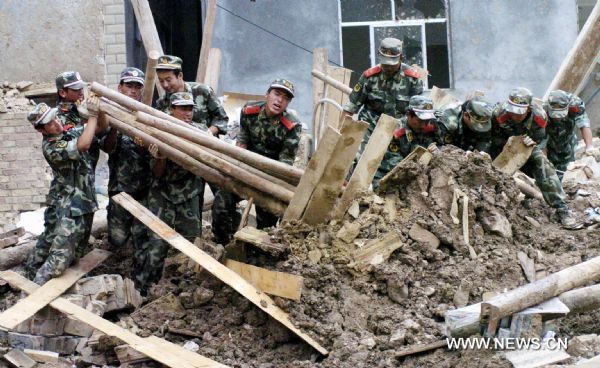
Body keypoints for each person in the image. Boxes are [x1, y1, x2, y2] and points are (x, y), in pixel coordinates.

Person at [25, 97, 105, 284]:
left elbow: (99, 128)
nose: (56, 124)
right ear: (40, 130)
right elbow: (84, 144)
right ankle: (33, 296)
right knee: (59, 260)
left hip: (83, 204)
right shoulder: (52, 146)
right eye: (49, 124)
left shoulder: (65, 134)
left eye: (55, 118)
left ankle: (33, 274)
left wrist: (98, 110)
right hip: (71, 208)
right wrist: (92, 116)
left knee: (76, 253)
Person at [211, 79, 302, 244]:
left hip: (271, 175)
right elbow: (243, 138)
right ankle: (222, 243)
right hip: (247, 166)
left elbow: (285, 162)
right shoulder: (248, 111)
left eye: (286, 98)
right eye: (276, 94)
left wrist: (271, 186)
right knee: (222, 203)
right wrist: (238, 164)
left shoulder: (292, 124)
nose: (279, 100)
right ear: (267, 94)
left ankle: (256, 254)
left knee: (266, 222)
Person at [133, 92, 204, 295]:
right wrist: (160, 158)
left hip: (188, 193)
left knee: (192, 243)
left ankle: (189, 291)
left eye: (190, 108)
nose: (187, 113)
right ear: (171, 110)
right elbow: (156, 172)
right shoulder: (157, 132)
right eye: (182, 108)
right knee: (156, 245)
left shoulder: (200, 132)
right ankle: (146, 291)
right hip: (162, 193)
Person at [490, 87, 579, 228]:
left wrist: (531, 142)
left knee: (543, 163)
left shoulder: (539, 118)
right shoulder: (499, 113)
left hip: (524, 148)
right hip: (499, 147)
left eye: (519, 112)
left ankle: (561, 208)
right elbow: (489, 137)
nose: (514, 115)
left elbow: (539, 139)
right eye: (512, 111)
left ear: (529, 109)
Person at [153, 55, 229, 216]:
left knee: (224, 199)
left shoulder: (202, 92)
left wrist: (208, 133)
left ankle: (224, 238)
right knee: (195, 205)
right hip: (185, 164)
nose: (165, 85)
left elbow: (222, 119)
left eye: (169, 79)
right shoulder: (161, 104)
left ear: (180, 76)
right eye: (161, 81)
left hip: (209, 156)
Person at [343, 37, 423, 154]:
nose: (388, 67)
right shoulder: (369, 77)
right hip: (370, 128)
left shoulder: (412, 79)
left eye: (392, 64)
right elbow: (350, 108)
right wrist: (342, 134)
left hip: (399, 129)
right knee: (359, 160)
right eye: (385, 64)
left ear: (401, 58)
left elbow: (418, 113)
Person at [100, 67, 151, 249]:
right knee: (117, 240)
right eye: (129, 85)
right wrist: (115, 125)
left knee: (142, 240)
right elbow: (107, 147)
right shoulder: (108, 113)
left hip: (144, 189)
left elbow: (154, 152)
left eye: (137, 87)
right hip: (119, 188)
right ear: (120, 87)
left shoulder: (148, 115)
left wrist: (143, 145)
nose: (133, 90)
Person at [374, 95, 438, 187]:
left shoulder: (431, 128)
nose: (424, 126)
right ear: (408, 114)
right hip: (389, 176)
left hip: (416, 175)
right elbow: (396, 166)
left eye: (427, 121)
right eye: (420, 121)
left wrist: (436, 153)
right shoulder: (394, 131)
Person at [543, 90, 595, 180]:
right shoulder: (543, 111)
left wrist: (589, 147)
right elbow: (541, 140)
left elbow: (584, 124)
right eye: (555, 115)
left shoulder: (575, 105)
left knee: (568, 169)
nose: (558, 118)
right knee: (548, 172)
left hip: (568, 140)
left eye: (560, 115)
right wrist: (544, 162)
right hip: (550, 141)